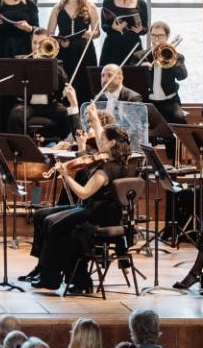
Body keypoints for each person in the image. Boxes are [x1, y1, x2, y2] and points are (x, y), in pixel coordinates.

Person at [24, 118, 131, 297]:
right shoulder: (115, 164)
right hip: (97, 210)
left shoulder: (107, 169)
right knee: (41, 215)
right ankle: (44, 268)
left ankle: (51, 279)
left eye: (102, 139)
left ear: (112, 143)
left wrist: (66, 175)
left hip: (98, 215)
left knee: (54, 224)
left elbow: (83, 193)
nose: (98, 142)